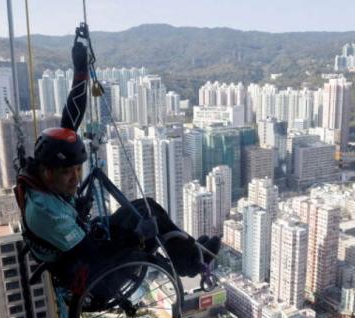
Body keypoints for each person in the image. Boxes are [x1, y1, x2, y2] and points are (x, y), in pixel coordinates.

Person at [16, 37, 220, 294]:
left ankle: (190, 258)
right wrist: (138, 236)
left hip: (87, 245)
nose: (75, 178)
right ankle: (191, 262)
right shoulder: (47, 213)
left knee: (149, 207)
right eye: (67, 172)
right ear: (48, 172)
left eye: (78, 169)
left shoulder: (43, 175)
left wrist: (80, 73)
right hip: (99, 276)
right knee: (146, 222)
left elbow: (71, 118)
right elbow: (94, 257)